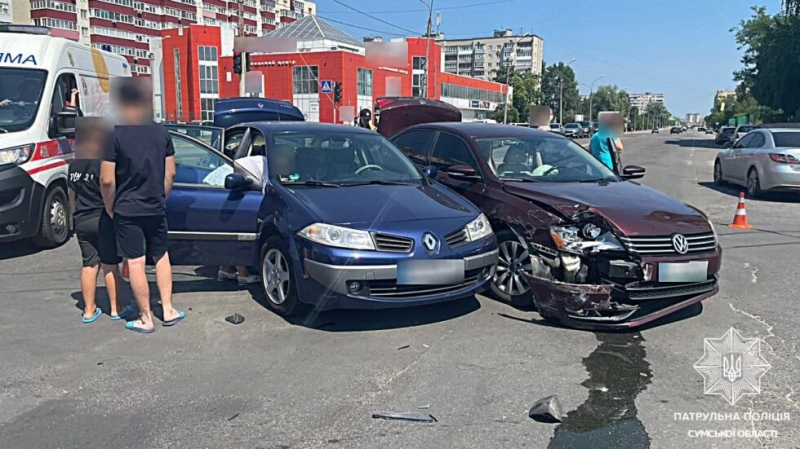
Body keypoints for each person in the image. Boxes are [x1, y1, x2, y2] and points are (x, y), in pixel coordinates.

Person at [101, 81, 183, 334]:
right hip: (155, 206)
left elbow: (106, 180)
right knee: (161, 256)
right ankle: (168, 309)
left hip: (127, 208)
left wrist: (110, 207)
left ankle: (146, 318)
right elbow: (170, 174)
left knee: (135, 262)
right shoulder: (162, 133)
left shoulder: (113, 134)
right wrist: (161, 197)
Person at [69, 119, 132, 323]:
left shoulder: (74, 165)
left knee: (89, 264)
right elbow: (109, 186)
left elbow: (71, 194)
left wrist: (74, 214)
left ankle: (88, 310)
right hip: (102, 218)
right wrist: (111, 210)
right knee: (110, 264)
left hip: (82, 219)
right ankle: (116, 308)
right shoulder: (103, 163)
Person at [214, 154, 267, 285]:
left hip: (215, 199)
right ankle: (242, 272)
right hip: (226, 202)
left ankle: (225, 268)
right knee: (240, 234)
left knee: (230, 233)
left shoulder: (233, 170)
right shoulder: (255, 169)